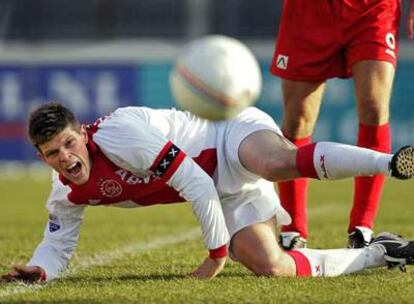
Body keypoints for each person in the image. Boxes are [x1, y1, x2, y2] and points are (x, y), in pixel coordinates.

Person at [2, 102, 414, 283]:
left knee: (274, 163)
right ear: (42, 158)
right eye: (53, 153)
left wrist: (216, 256)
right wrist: (41, 271)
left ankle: (389, 162)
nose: (66, 157)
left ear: (83, 132)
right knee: (272, 267)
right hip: (223, 189)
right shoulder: (64, 193)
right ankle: (381, 252)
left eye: (69, 143)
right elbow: (57, 245)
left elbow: (195, 181)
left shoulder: (118, 135)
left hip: (227, 135)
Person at [271, 0, 414, 249]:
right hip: (308, 12)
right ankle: (293, 231)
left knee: (374, 106)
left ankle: (362, 228)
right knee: (297, 121)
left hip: (373, 9)